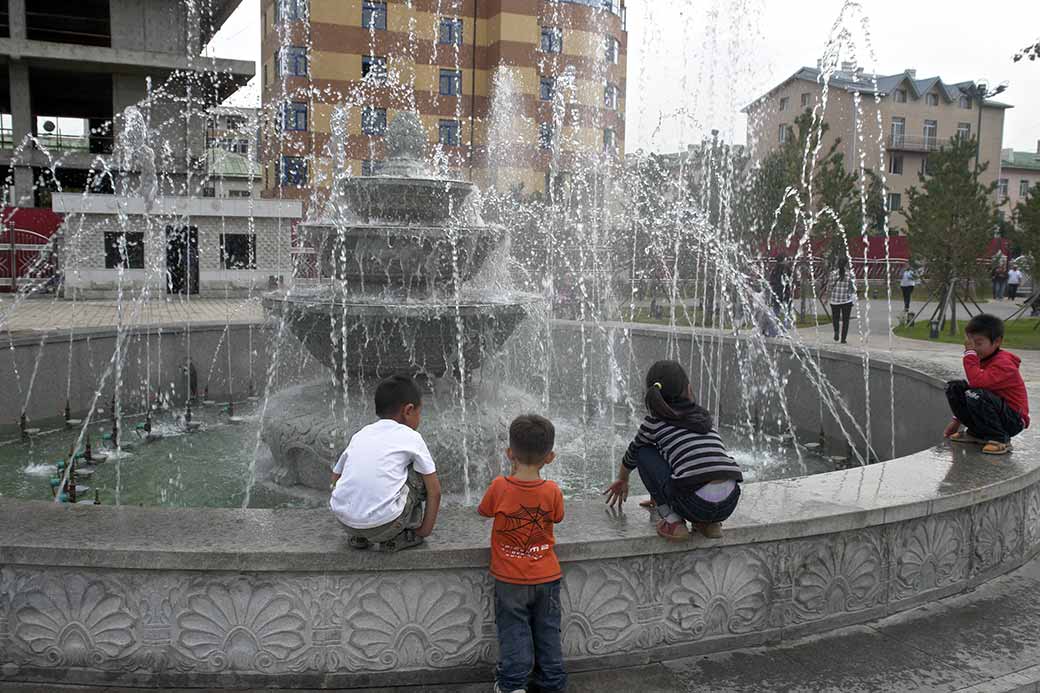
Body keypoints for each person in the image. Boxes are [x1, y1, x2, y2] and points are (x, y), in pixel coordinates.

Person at [604, 360, 743, 540]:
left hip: (695, 503)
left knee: (643, 451)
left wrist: (623, 479)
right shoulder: (703, 417)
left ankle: (673, 522)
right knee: (705, 464)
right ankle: (710, 524)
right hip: (729, 502)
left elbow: (632, 453)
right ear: (688, 389)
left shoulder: (654, 423)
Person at [478, 415, 566, 693]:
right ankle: (552, 684)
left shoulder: (499, 486)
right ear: (550, 457)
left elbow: (483, 511)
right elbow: (558, 517)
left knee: (514, 632)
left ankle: (513, 685)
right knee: (548, 633)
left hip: (510, 579)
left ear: (509, 453)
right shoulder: (552, 490)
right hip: (548, 577)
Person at [330, 375, 442, 552]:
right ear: (409, 410)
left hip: (345, 523)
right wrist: (424, 531)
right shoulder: (412, 437)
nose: (419, 418)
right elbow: (435, 490)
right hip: (388, 524)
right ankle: (399, 537)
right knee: (419, 474)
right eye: (419, 413)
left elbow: (336, 476)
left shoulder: (361, 434)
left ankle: (359, 536)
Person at [944, 314, 1030, 456]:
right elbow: (974, 387)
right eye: (970, 344)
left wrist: (969, 354)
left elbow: (978, 383)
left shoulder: (1004, 364)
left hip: (1012, 420)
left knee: (976, 394)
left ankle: (1000, 439)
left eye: (978, 344)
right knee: (954, 388)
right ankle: (976, 433)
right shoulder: (985, 358)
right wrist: (956, 421)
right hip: (996, 412)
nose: (974, 349)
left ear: (997, 342)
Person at [826, 258, 856, 344]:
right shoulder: (850, 274)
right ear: (846, 264)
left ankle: (836, 331)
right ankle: (843, 339)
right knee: (846, 320)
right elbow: (853, 288)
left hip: (835, 300)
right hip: (846, 301)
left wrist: (826, 297)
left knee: (835, 318)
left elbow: (829, 287)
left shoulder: (833, 274)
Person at [766, 254, 792, 337]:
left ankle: (772, 332)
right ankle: (784, 332)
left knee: (775, 312)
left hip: (776, 293)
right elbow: (789, 280)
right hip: (785, 294)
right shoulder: (786, 268)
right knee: (785, 313)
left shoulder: (774, 269)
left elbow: (771, 281)